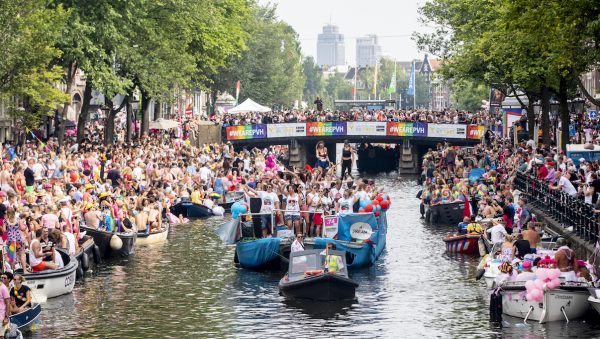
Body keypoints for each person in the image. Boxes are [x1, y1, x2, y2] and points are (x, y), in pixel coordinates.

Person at [0, 272, 10, 338]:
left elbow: (8, 302)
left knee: (1, 336)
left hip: (1, 315)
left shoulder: (3, 288)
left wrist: (6, 317)